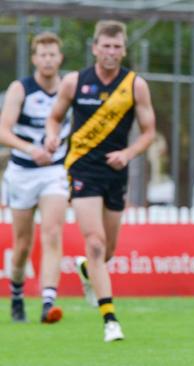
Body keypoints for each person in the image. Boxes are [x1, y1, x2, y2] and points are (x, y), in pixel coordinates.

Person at [45, 20, 156, 342]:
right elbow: (54, 117)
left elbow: (148, 132)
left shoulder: (135, 85)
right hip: (81, 170)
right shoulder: (74, 82)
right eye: (105, 46)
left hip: (115, 173)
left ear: (123, 50)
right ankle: (110, 319)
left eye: (117, 46)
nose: (111, 52)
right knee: (93, 243)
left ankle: (85, 271)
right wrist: (52, 137)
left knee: (105, 252)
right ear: (95, 48)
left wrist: (129, 153)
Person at [0, 32, 69, 324]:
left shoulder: (70, 88)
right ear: (34, 58)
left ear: (60, 58)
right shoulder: (21, 89)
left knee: (52, 234)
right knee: (23, 244)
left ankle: (48, 302)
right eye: (43, 54)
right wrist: (31, 149)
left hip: (54, 172)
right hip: (22, 173)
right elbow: (3, 131)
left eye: (53, 54)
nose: (48, 59)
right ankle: (17, 294)